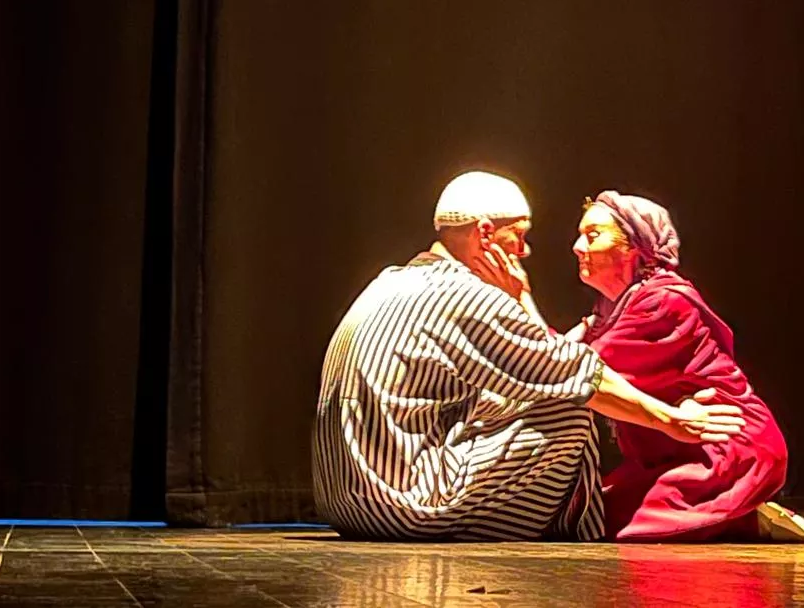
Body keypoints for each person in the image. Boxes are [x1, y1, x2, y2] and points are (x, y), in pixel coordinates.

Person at [312, 171, 745, 541]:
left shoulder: (392, 279)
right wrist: (671, 419)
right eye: (517, 236)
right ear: (484, 234)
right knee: (569, 409)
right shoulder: (466, 295)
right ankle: (583, 525)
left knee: (518, 396)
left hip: (343, 500)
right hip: (398, 505)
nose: (525, 251)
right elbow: (576, 373)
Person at [566, 191, 804, 542]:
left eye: (593, 236)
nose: (578, 246)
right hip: (683, 450)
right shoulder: (612, 310)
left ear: (634, 248)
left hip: (726, 448)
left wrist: (518, 298)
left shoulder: (661, 302)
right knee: (589, 511)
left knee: (599, 521)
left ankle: (744, 517)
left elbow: (567, 369)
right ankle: (741, 516)